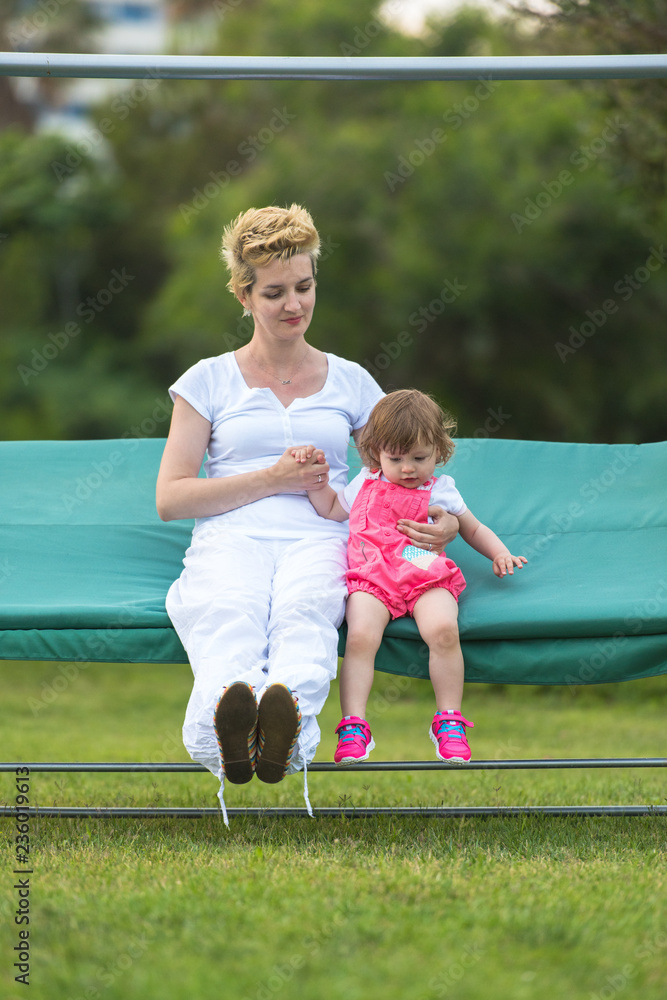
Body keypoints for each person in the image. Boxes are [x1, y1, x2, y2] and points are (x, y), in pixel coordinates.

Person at [156, 204, 458, 818]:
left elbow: (407, 466)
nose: (294, 304)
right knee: (229, 612)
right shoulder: (208, 381)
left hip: (326, 536)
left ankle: (283, 730)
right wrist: (272, 477)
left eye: (304, 286)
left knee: (305, 616)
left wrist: (447, 523)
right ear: (244, 295)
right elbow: (172, 497)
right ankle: (227, 733)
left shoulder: (350, 381)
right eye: (274, 292)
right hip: (231, 536)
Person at [293, 389, 527, 767]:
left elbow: (473, 528)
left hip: (421, 569)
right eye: (395, 458)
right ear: (376, 455)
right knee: (361, 637)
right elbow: (333, 510)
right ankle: (354, 724)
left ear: (439, 450)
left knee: (444, 632)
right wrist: (315, 482)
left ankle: (449, 720)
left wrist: (500, 552)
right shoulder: (364, 484)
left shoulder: (441, 490)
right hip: (372, 574)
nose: (407, 469)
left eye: (419, 457)